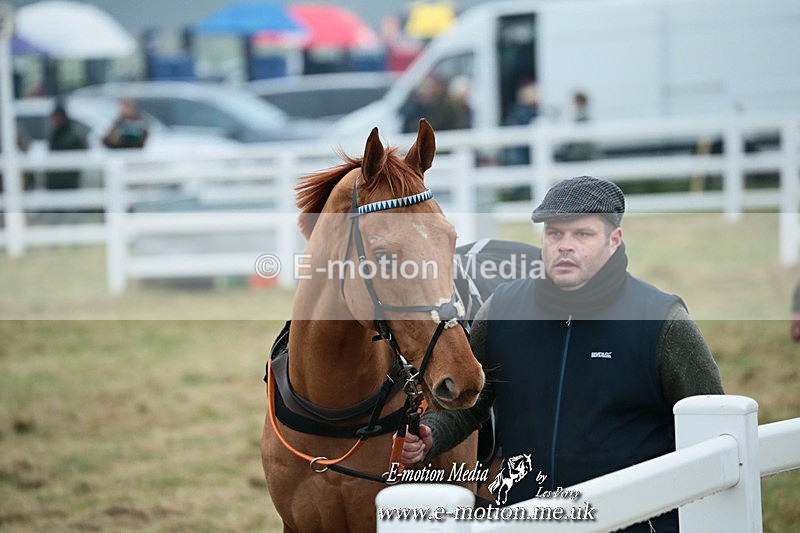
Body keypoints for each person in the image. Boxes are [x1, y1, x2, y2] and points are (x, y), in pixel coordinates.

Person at [400, 176, 724, 532]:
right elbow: (473, 405)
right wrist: (433, 434)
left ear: (614, 241)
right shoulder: (502, 312)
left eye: (582, 234)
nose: (564, 246)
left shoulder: (661, 323)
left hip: (634, 523)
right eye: (555, 234)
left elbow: (712, 430)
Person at [46, 103, 88, 190]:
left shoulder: (73, 135)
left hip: (68, 179)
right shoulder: (54, 134)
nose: (55, 120)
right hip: (55, 179)